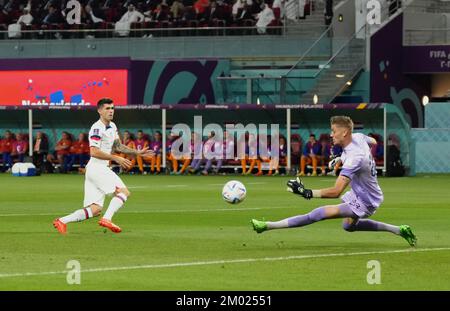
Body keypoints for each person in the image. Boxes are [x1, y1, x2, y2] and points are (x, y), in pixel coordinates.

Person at [251, 116, 417, 247]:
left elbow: (336, 191)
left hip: (366, 200)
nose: (331, 135)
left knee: (317, 214)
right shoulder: (358, 137)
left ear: (344, 133)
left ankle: (266, 226)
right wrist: (340, 157)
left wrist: (307, 192)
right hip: (363, 193)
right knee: (348, 227)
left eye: (333, 131)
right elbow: (372, 141)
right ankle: (398, 230)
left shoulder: (354, 159)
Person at [52, 98, 153, 235]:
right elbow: (94, 151)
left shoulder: (112, 126)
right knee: (123, 192)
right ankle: (107, 219)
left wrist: (136, 152)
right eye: (107, 108)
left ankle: (62, 221)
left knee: (95, 209)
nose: (111, 111)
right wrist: (114, 157)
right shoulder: (97, 128)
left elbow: (118, 146)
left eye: (112, 108)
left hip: (95, 170)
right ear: (99, 111)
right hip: (98, 168)